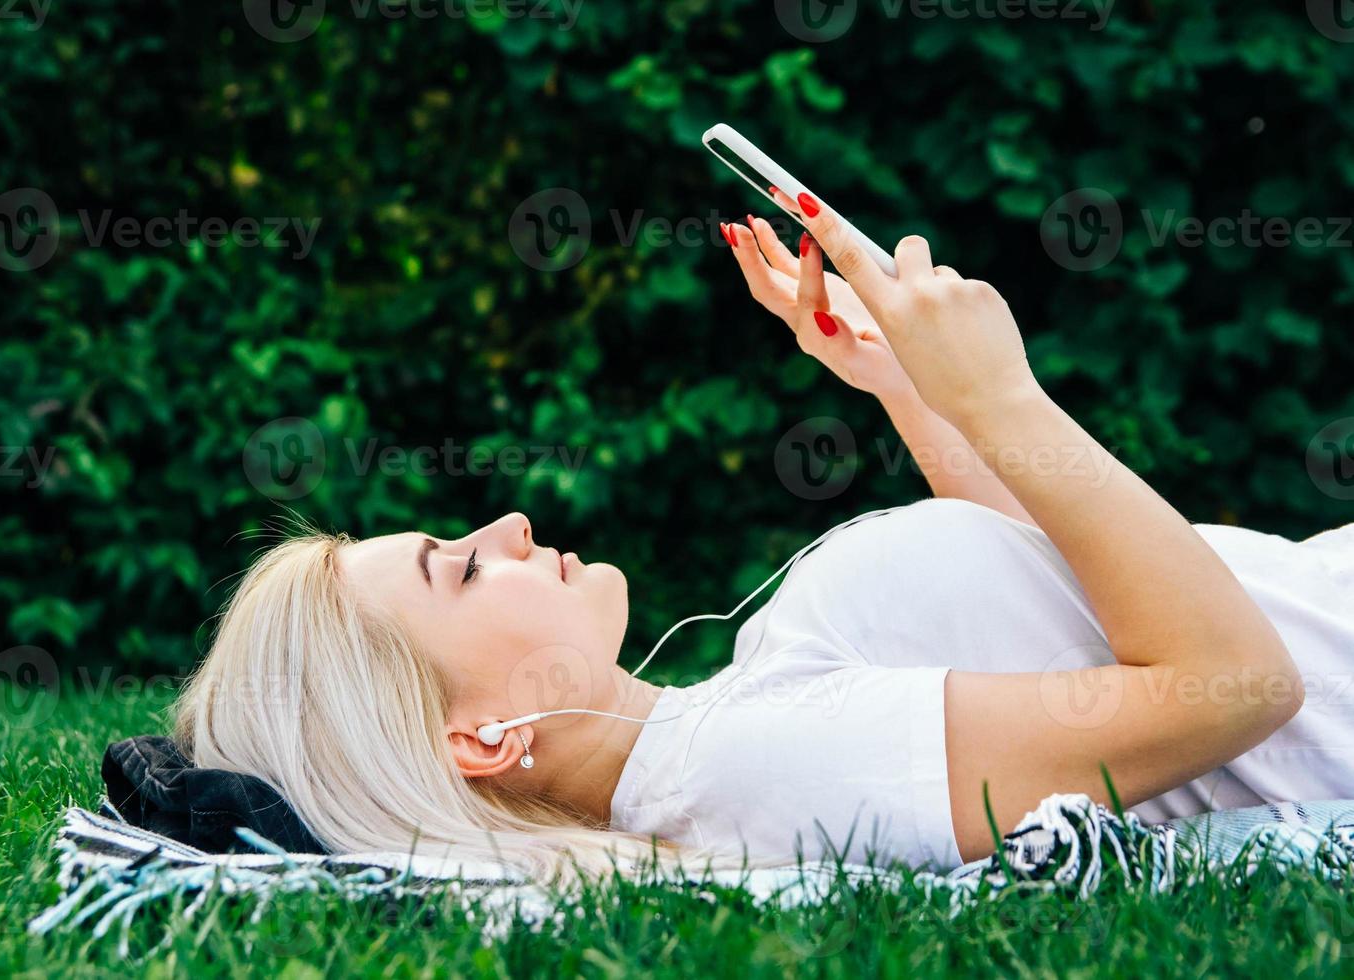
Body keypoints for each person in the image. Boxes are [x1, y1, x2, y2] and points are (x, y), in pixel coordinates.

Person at [174, 190, 1352, 885]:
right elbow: (1234, 685)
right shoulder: (763, 769)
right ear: (483, 737)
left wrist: (904, 390)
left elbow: (1051, 609)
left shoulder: (726, 721)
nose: (512, 522)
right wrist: (1005, 400)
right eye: (463, 565)